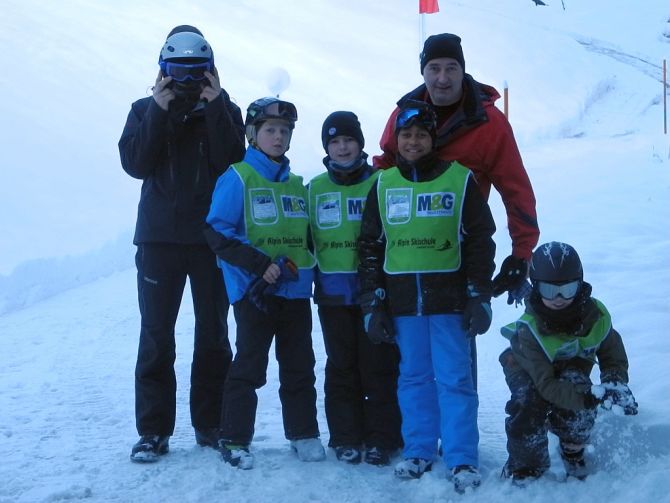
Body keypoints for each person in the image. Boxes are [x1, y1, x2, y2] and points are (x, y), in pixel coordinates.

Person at [119, 25, 245, 463]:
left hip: (212, 240)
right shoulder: (143, 110)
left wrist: (216, 106)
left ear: (211, 70)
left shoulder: (226, 110)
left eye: (196, 70)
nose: (186, 79)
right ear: (162, 70)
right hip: (159, 241)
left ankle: (211, 425)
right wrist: (158, 110)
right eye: (177, 70)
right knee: (156, 336)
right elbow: (136, 163)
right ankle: (153, 431)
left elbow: (233, 163)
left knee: (214, 333)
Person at [358, 100, 496, 493]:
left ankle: (462, 457)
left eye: (421, 134)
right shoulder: (383, 183)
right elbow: (370, 247)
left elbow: (480, 241)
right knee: (413, 377)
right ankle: (418, 450)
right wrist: (373, 303)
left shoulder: (459, 179)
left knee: (455, 379)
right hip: (404, 304)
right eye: (406, 134)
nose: (413, 141)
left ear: (433, 138)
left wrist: (479, 295)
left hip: (450, 302)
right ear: (396, 140)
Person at [205, 97, 325, 470]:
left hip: (295, 292)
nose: (278, 137)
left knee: (299, 364)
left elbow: (307, 239)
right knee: (250, 366)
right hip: (254, 292)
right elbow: (216, 232)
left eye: (284, 131)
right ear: (252, 134)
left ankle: (303, 433)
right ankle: (234, 438)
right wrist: (259, 266)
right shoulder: (238, 176)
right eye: (270, 130)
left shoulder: (297, 184)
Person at [373, 33, 539, 304]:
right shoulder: (404, 115)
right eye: (434, 68)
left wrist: (521, 254)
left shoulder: (489, 124)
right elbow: (383, 172)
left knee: (457, 329)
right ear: (423, 72)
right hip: (404, 253)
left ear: (463, 71)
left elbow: (516, 190)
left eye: (451, 68)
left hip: (460, 255)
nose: (443, 78)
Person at [499, 241, 637, 485]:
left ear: (579, 284)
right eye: (550, 290)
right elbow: (546, 385)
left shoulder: (596, 317)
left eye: (567, 289)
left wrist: (614, 383)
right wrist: (589, 398)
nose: (559, 298)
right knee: (529, 402)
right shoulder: (530, 329)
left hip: (568, 366)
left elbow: (612, 354)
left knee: (576, 389)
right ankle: (526, 465)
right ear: (536, 287)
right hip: (526, 367)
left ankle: (572, 448)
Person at [308, 112, 402, 466]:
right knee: (341, 366)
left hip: (375, 293)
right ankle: (345, 436)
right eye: (334, 142)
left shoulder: (382, 182)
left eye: (348, 140)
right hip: (333, 295)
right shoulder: (315, 188)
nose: (342, 147)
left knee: (379, 365)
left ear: (360, 143)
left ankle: (382, 438)